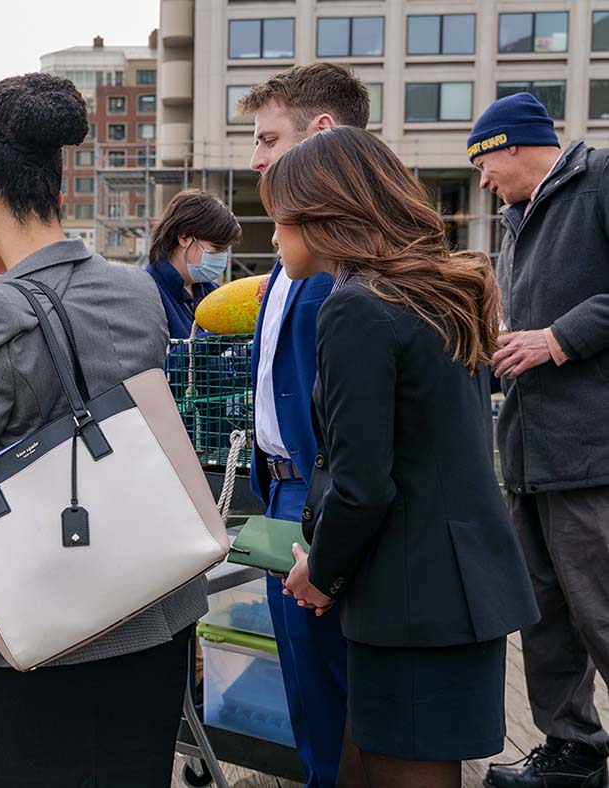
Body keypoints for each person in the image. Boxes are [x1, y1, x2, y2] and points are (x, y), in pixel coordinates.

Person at [0, 72, 207, 788]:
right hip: (152, 609)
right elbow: (86, 415)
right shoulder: (133, 289)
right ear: (56, 189)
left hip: (34, 635)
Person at [266, 125, 539, 788]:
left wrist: (322, 574)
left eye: (280, 221)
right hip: (456, 587)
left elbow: (363, 484)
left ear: (325, 216)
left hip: (411, 601)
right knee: (366, 767)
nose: (273, 240)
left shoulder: (357, 309)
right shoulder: (438, 295)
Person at [235, 62, 370, 788]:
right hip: (282, 492)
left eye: (267, 138)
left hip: (328, 497)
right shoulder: (291, 253)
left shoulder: (350, 264)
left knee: (340, 687)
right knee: (307, 687)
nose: (255, 158)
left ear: (321, 133)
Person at [468, 93, 609, 788]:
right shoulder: (515, 221)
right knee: (546, 619)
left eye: (483, 162)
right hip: (530, 455)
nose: (483, 180)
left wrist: (558, 339)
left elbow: (564, 326)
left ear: (513, 144)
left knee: (604, 613)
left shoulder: (602, 181)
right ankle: (571, 752)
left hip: (593, 458)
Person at [145, 188, 242, 339]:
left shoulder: (212, 292)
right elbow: (155, 358)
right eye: (216, 248)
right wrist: (214, 341)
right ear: (184, 238)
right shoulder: (148, 293)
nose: (221, 256)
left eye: (225, 249)